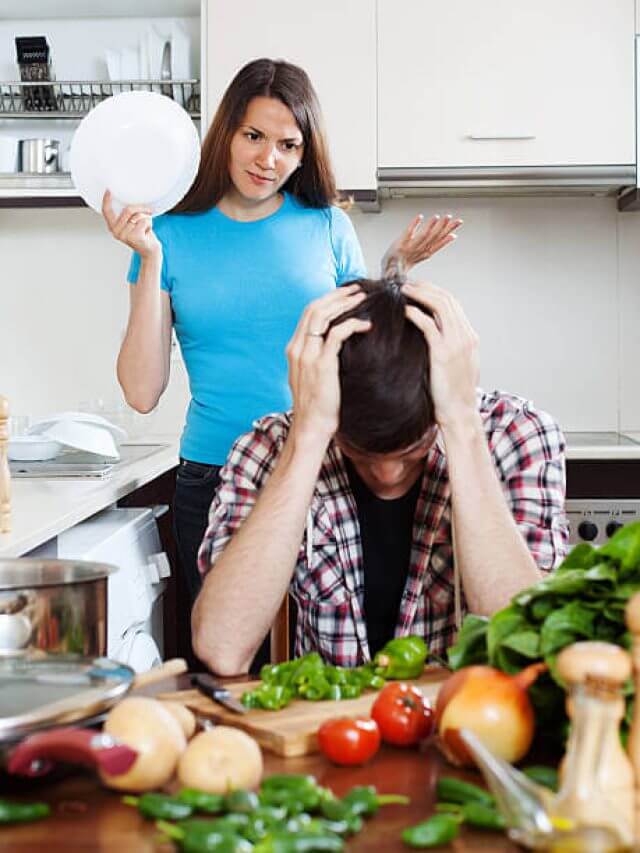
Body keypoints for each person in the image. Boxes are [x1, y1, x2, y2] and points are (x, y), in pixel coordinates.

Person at [101, 57, 462, 622]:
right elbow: (142, 390)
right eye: (254, 136)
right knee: (226, 657)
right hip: (214, 476)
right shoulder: (166, 234)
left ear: (305, 151)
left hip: (323, 467)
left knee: (326, 653)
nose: (269, 160)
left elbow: (362, 357)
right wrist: (148, 259)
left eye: (288, 145)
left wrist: (392, 274)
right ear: (226, 132)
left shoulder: (327, 225)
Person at [193, 277, 569, 675]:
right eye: (360, 453)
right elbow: (222, 647)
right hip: (333, 727)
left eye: (412, 451)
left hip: (471, 719)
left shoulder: (516, 433)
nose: (388, 474)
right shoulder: (270, 445)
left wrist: (461, 424)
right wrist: (308, 434)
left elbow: (528, 647)